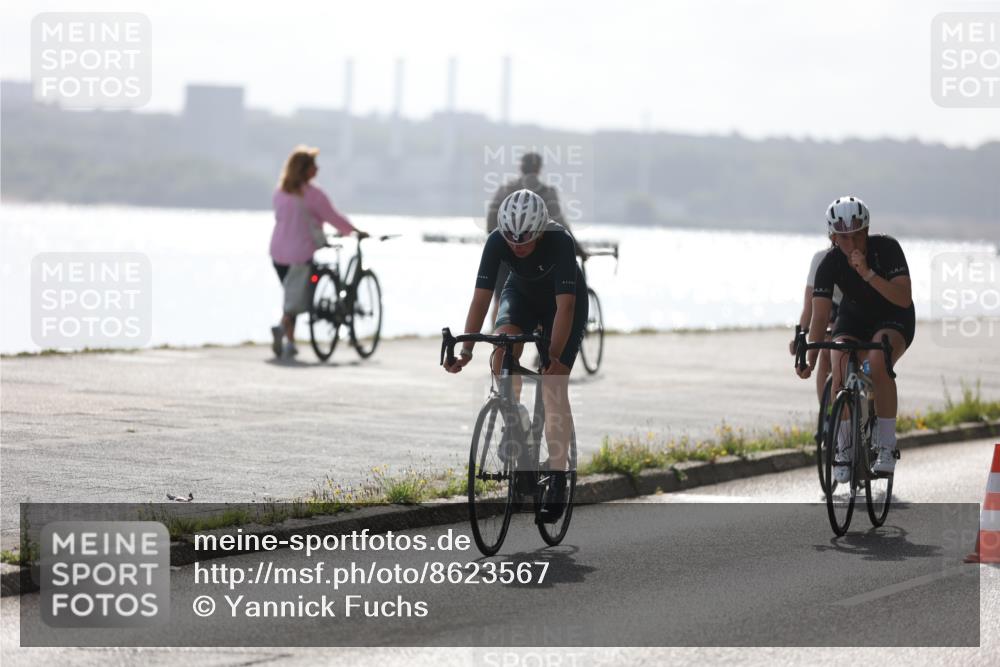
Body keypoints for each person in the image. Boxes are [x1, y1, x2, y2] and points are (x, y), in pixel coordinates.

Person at [446, 189, 588, 522]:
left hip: (563, 304)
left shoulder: (560, 242)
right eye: (511, 239)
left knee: (553, 386)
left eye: (524, 240)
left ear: (539, 231)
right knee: (502, 349)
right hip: (521, 293)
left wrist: (554, 357)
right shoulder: (497, 240)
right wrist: (466, 351)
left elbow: (566, 307)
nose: (516, 245)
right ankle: (515, 418)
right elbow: (481, 299)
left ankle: (557, 478)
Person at [796, 196, 915, 480]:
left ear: (867, 231)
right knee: (838, 359)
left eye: (857, 235)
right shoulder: (829, 263)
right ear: (833, 237)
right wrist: (810, 358)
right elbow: (820, 317)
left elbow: (903, 298)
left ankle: (886, 447)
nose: (851, 243)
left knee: (878, 359)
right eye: (844, 237)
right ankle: (845, 448)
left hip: (893, 316)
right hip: (855, 316)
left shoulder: (887, 248)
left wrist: (868, 273)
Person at [270, 145, 367, 359]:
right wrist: (354, 231)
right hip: (299, 254)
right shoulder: (313, 194)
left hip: (277, 253)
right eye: (313, 165)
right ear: (304, 169)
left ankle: (290, 343)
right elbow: (334, 217)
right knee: (295, 300)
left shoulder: (280, 192)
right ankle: (281, 328)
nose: (317, 169)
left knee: (291, 295)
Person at [485, 151, 585, 327]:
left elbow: (491, 219)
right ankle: (540, 334)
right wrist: (578, 249)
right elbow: (560, 225)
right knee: (541, 297)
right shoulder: (547, 192)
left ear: (520, 167)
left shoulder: (505, 189)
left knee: (500, 298)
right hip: (537, 254)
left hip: (505, 249)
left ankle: (499, 337)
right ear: (539, 169)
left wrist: (500, 242)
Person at [790, 247, 843, 403]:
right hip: (832, 306)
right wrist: (799, 337)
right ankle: (826, 413)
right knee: (826, 352)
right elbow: (810, 306)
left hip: (858, 306)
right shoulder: (821, 258)